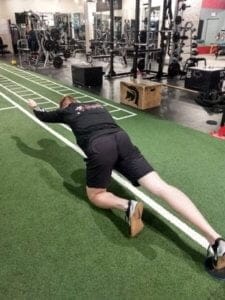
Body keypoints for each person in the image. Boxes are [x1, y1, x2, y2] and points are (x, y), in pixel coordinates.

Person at [28, 96, 225, 278]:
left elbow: (43, 115)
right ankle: (216, 239)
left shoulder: (67, 110)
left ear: (64, 105)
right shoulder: (98, 106)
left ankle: (126, 206)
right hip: (122, 140)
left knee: (96, 194)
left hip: (99, 146)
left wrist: (35, 106)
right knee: (161, 187)